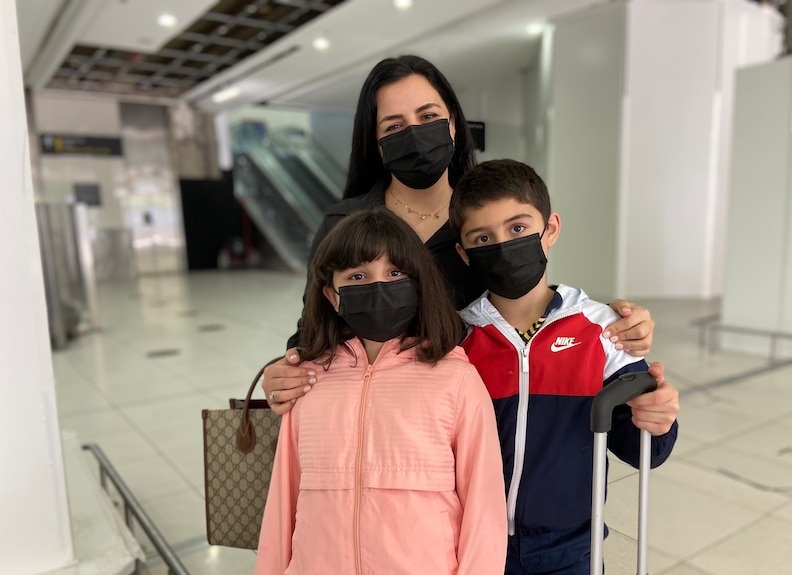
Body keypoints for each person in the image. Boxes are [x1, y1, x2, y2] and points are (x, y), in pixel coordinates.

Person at [263, 54, 656, 414]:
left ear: (453, 123)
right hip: (372, 411)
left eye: (428, 115)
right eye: (394, 125)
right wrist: (289, 369)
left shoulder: (485, 219)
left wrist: (615, 325)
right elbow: (314, 324)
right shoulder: (345, 223)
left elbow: (529, 303)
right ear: (378, 143)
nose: (414, 133)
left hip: (472, 412)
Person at [450, 159, 680, 575]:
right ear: (464, 254)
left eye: (518, 228)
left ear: (550, 229)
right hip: (471, 540)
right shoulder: (457, 338)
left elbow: (640, 447)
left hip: (571, 546)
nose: (503, 245)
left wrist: (658, 420)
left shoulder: (603, 330)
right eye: (483, 237)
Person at [254, 208, 507, 574]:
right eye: (357, 275)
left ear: (418, 283)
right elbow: (282, 501)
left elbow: (484, 510)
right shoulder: (307, 381)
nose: (379, 285)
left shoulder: (456, 380)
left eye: (395, 272)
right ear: (333, 295)